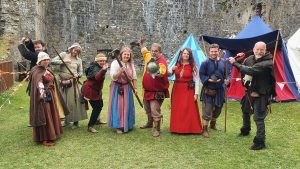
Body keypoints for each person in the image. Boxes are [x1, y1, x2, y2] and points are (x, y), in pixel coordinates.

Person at [228, 41, 276, 150]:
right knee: (245, 111)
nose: (259, 51)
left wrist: (234, 62)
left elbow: (250, 70)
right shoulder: (249, 59)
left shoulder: (267, 63)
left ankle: (260, 142)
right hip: (249, 91)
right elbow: (243, 69)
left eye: (261, 49)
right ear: (254, 49)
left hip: (261, 93)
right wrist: (239, 61)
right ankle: (245, 130)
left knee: (258, 118)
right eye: (257, 49)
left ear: (265, 50)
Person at [29, 52, 69, 146]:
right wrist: (42, 92)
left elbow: (51, 79)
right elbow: (39, 82)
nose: (46, 61)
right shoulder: (37, 70)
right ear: (40, 61)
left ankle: (52, 134)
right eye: (44, 60)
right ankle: (44, 138)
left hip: (50, 94)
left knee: (51, 113)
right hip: (43, 96)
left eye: (47, 59)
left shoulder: (47, 69)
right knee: (45, 115)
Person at [51, 43, 87, 129]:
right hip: (62, 82)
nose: (75, 52)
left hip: (73, 82)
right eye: (75, 50)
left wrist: (78, 75)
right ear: (71, 49)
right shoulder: (64, 54)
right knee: (63, 101)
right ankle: (66, 121)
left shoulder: (79, 60)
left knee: (75, 102)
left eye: (78, 51)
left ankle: (76, 121)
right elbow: (52, 61)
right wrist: (64, 61)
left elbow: (81, 72)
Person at [139, 38, 169, 137]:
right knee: (147, 109)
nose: (153, 52)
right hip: (147, 91)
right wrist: (141, 44)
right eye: (152, 50)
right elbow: (144, 52)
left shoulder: (162, 61)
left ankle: (157, 129)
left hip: (157, 92)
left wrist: (156, 71)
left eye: (156, 51)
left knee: (154, 110)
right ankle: (149, 123)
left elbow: (162, 72)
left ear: (160, 52)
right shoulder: (148, 56)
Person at [168, 48, 202, 134]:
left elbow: (197, 80)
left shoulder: (193, 66)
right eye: (184, 53)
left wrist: (196, 93)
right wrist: (172, 69)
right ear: (182, 54)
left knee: (187, 109)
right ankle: (177, 128)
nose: (186, 55)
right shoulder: (177, 64)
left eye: (187, 54)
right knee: (178, 109)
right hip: (177, 89)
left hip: (188, 90)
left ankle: (189, 128)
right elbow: (169, 74)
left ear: (190, 55)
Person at [199, 44, 227, 138]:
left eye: (215, 51)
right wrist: (209, 80)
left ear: (218, 51)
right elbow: (201, 75)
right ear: (209, 52)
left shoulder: (223, 62)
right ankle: (205, 129)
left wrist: (227, 80)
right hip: (208, 90)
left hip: (220, 90)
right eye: (212, 51)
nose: (214, 53)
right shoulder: (205, 63)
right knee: (207, 111)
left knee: (218, 110)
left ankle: (213, 124)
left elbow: (228, 73)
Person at [107, 47, 137, 134]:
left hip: (127, 87)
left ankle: (128, 124)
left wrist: (135, 88)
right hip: (118, 87)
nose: (126, 56)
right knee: (118, 107)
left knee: (128, 106)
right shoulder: (116, 63)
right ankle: (119, 127)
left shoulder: (130, 64)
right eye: (125, 54)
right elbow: (113, 77)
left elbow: (134, 77)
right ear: (121, 55)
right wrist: (120, 71)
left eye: (128, 54)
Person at [82, 53, 109, 133]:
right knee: (97, 107)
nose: (102, 62)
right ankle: (90, 126)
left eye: (103, 61)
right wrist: (103, 70)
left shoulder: (99, 67)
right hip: (90, 90)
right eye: (100, 61)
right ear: (96, 61)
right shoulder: (95, 68)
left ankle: (97, 120)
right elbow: (97, 77)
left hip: (96, 90)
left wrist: (103, 69)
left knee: (100, 105)